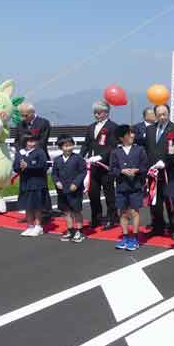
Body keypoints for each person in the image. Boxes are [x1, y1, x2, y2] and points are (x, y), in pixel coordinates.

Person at [145, 104, 174, 239]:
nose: (162, 117)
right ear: (155, 115)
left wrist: (165, 163)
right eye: (159, 114)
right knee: (155, 202)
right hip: (153, 173)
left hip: (169, 172)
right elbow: (147, 149)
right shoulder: (149, 129)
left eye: (164, 114)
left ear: (168, 113)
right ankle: (158, 227)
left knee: (171, 202)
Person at [79, 101, 119, 229]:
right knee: (93, 193)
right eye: (95, 113)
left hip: (106, 165)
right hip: (93, 166)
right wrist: (80, 157)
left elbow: (112, 146)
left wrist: (101, 157)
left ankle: (112, 218)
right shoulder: (91, 127)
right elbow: (86, 144)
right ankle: (96, 217)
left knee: (109, 193)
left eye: (99, 112)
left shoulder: (113, 127)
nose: (97, 115)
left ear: (106, 113)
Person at [110, 125, 148, 251]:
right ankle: (125, 236)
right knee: (123, 213)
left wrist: (137, 170)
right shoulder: (116, 152)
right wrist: (121, 171)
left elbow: (145, 166)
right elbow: (112, 169)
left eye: (132, 133)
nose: (132, 136)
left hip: (136, 186)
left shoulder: (140, 149)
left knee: (134, 212)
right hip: (121, 186)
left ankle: (135, 238)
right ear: (121, 137)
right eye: (129, 134)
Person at [52, 135, 86, 243]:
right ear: (60, 147)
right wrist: (57, 182)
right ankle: (71, 230)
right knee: (66, 211)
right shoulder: (57, 160)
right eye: (65, 146)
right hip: (62, 190)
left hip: (75, 190)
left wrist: (76, 183)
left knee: (76, 211)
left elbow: (82, 172)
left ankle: (80, 231)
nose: (68, 148)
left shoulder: (78, 158)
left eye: (70, 145)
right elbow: (54, 174)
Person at [14, 135, 49, 237]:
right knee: (27, 206)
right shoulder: (20, 153)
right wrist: (20, 167)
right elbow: (15, 167)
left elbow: (43, 166)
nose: (31, 144)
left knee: (37, 206)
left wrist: (28, 166)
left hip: (37, 183)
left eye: (33, 141)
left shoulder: (40, 152)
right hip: (25, 183)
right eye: (28, 141)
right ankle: (30, 226)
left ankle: (38, 226)